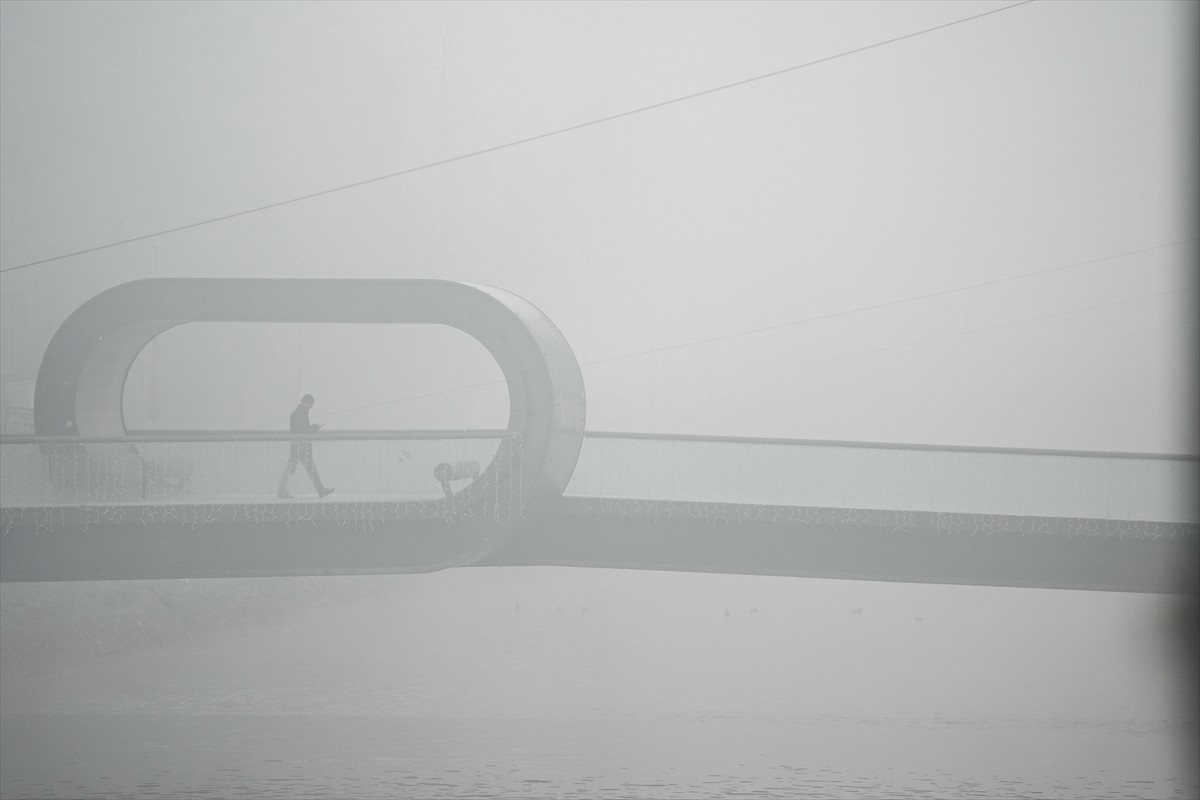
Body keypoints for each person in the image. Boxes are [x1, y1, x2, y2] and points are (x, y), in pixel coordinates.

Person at [277, 394, 334, 499]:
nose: (311, 407)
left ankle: (282, 490)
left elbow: (300, 430)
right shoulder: (301, 413)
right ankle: (321, 491)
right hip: (302, 446)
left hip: (296, 445)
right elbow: (305, 430)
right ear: (307, 403)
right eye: (311, 405)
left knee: (294, 469)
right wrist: (316, 427)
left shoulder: (297, 413)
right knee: (308, 469)